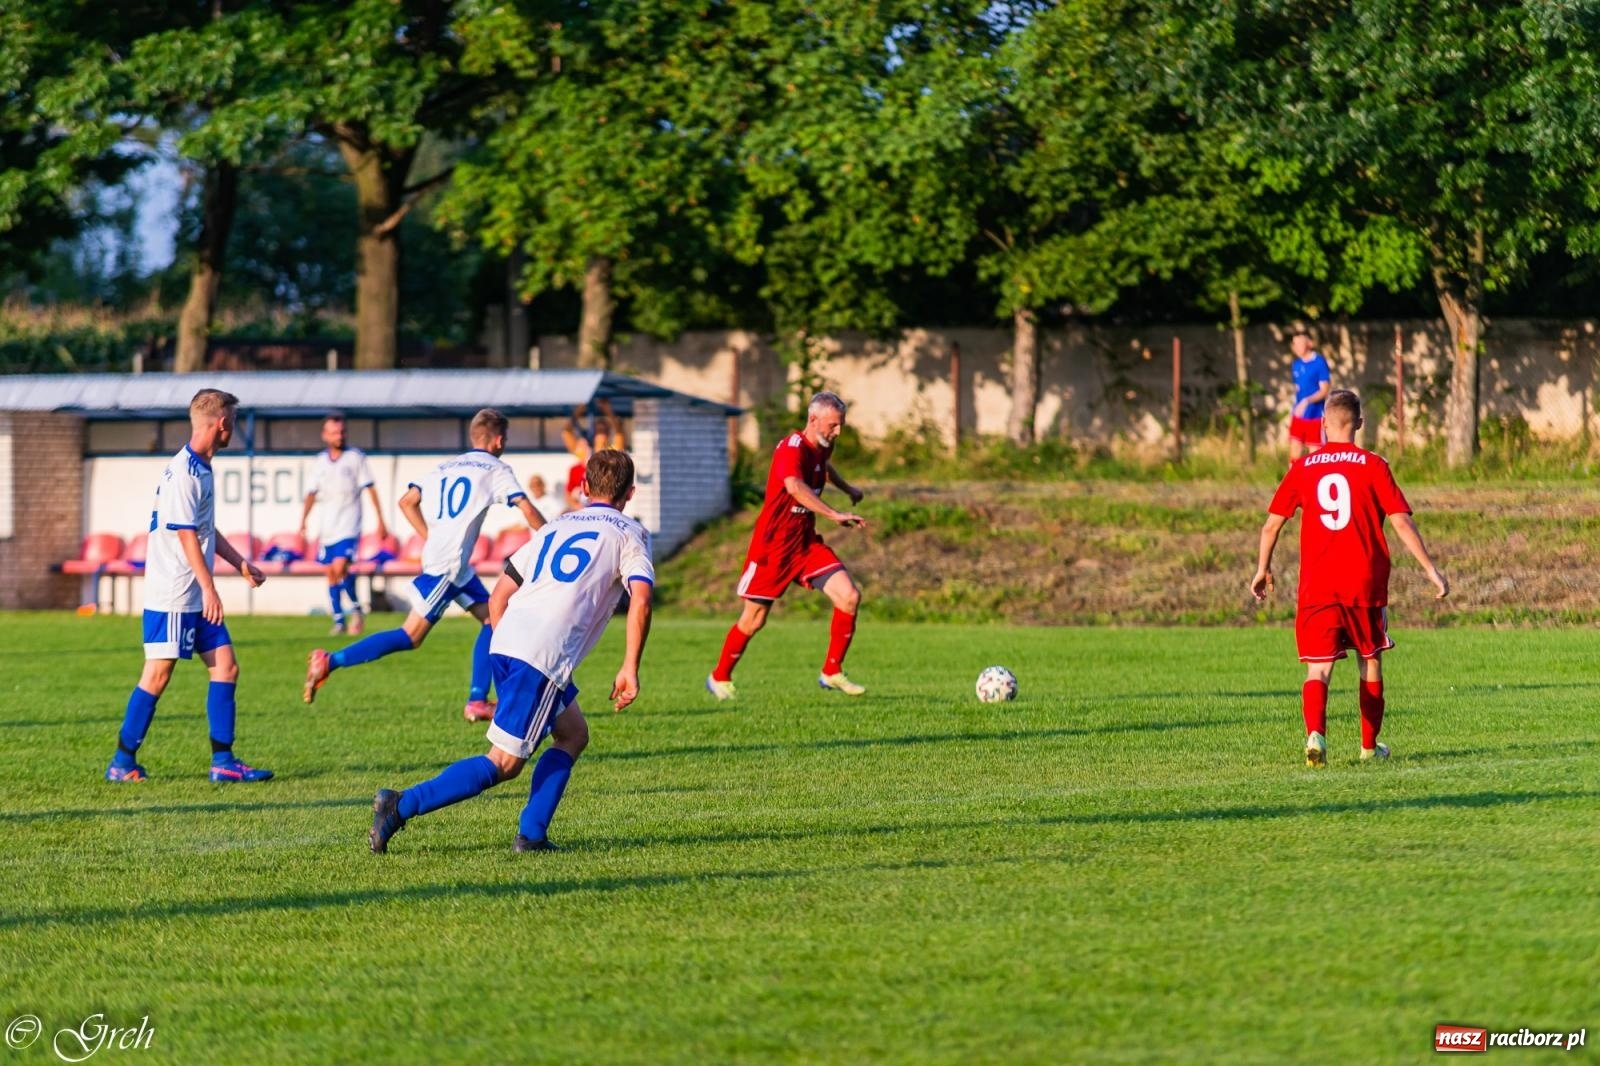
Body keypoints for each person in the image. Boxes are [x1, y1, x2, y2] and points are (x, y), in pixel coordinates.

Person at [368, 449, 654, 854]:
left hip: (508, 642)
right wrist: (630, 666)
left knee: (573, 734)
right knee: (504, 763)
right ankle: (401, 804)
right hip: (540, 656)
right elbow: (640, 600)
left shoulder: (557, 526)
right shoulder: (630, 533)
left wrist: (510, 649)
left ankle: (532, 835)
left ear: (585, 488)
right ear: (630, 493)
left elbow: (500, 594)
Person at [304, 408, 546, 721]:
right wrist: (551, 538)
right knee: (410, 636)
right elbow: (525, 508)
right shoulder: (496, 468)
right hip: (447, 567)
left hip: (455, 566)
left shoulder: (445, 465)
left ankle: (478, 700)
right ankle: (330, 660)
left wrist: (431, 536)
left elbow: (406, 501)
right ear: (498, 440)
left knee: (494, 617)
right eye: (505, 439)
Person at [1250, 389, 1448, 767]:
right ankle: (1369, 748)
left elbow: (1270, 527)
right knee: (1369, 660)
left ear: (1323, 423)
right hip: (1364, 585)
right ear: (1359, 423)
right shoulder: (1374, 465)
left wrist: (1263, 569)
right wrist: (1430, 570)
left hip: (1317, 585)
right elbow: (1401, 521)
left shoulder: (1303, 467)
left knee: (1319, 667)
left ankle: (1316, 737)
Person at [105, 388, 273, 784]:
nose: (233, 427)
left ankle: (224, 762)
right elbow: (183, 536)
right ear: (222, 423)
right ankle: (122, 761)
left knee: (226, 667)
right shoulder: (184, 473)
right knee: (157, 676)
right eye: (231, 420)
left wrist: (240, 563)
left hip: (194, 594)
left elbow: (202, 529)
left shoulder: (202, 468)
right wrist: (210, 587)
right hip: (174, 595)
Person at [706, 390, 868, 699]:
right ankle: (719, 676)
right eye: (833, 425)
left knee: (849, 596)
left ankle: (832, 671)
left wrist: (848, 489)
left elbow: (824, 467)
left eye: (840, 425)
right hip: (773, 550)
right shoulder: (790, 449)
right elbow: (794, 486)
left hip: (805, 545)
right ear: (813, 419)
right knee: (754, 620)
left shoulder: (823, 446)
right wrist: (833, 514)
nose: (838, 432)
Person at [298, 413, 389, 636]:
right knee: (331, 573)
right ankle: (342, 618)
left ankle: (352, 614)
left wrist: (381, 520)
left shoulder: (355, 458)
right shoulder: (320, 461)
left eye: (342, 431)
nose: (340, 436)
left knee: (340, 567)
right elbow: (311, 492)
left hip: (349, 525)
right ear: (325, 435)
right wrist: (303, 521)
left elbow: (370, 488)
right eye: (334, 432)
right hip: (327, 526)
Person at [562, 399, 625, 510]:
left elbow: (619, 434)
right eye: (597, 430)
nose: (600, 433)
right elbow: (566, 432)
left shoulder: (610, 453)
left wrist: (608, 411)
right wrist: (579, 410)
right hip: (581, 508)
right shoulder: (584, 452)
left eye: (604, 430)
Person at [1287, 330, 1332, 461]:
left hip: (1315, 415)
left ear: (1310, 343)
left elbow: (1324, 390)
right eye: (1294, 343)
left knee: (1315, 452)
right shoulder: (1296, 364)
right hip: (1299, 414)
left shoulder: (1319, 362)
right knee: (1295, 448)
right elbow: (1298, 389)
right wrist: (1295, 407)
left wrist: (1307, 401)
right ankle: (1293, 480)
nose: (1296, 346)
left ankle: (1314, 480)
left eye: (1300, 343)